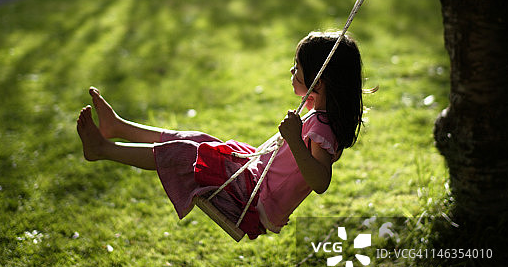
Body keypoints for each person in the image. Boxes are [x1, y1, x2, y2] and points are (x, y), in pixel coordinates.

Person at [77, 31, 365, 240]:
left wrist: (293, 139)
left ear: (319, 81)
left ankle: (103, 149)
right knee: (198, 138)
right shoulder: (319, 113)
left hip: (254, 202)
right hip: (251, 177)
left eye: (297, 67)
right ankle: (119, 128)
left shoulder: (321, 128)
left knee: (186, 154)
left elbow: (320, 181)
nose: (292, 70)